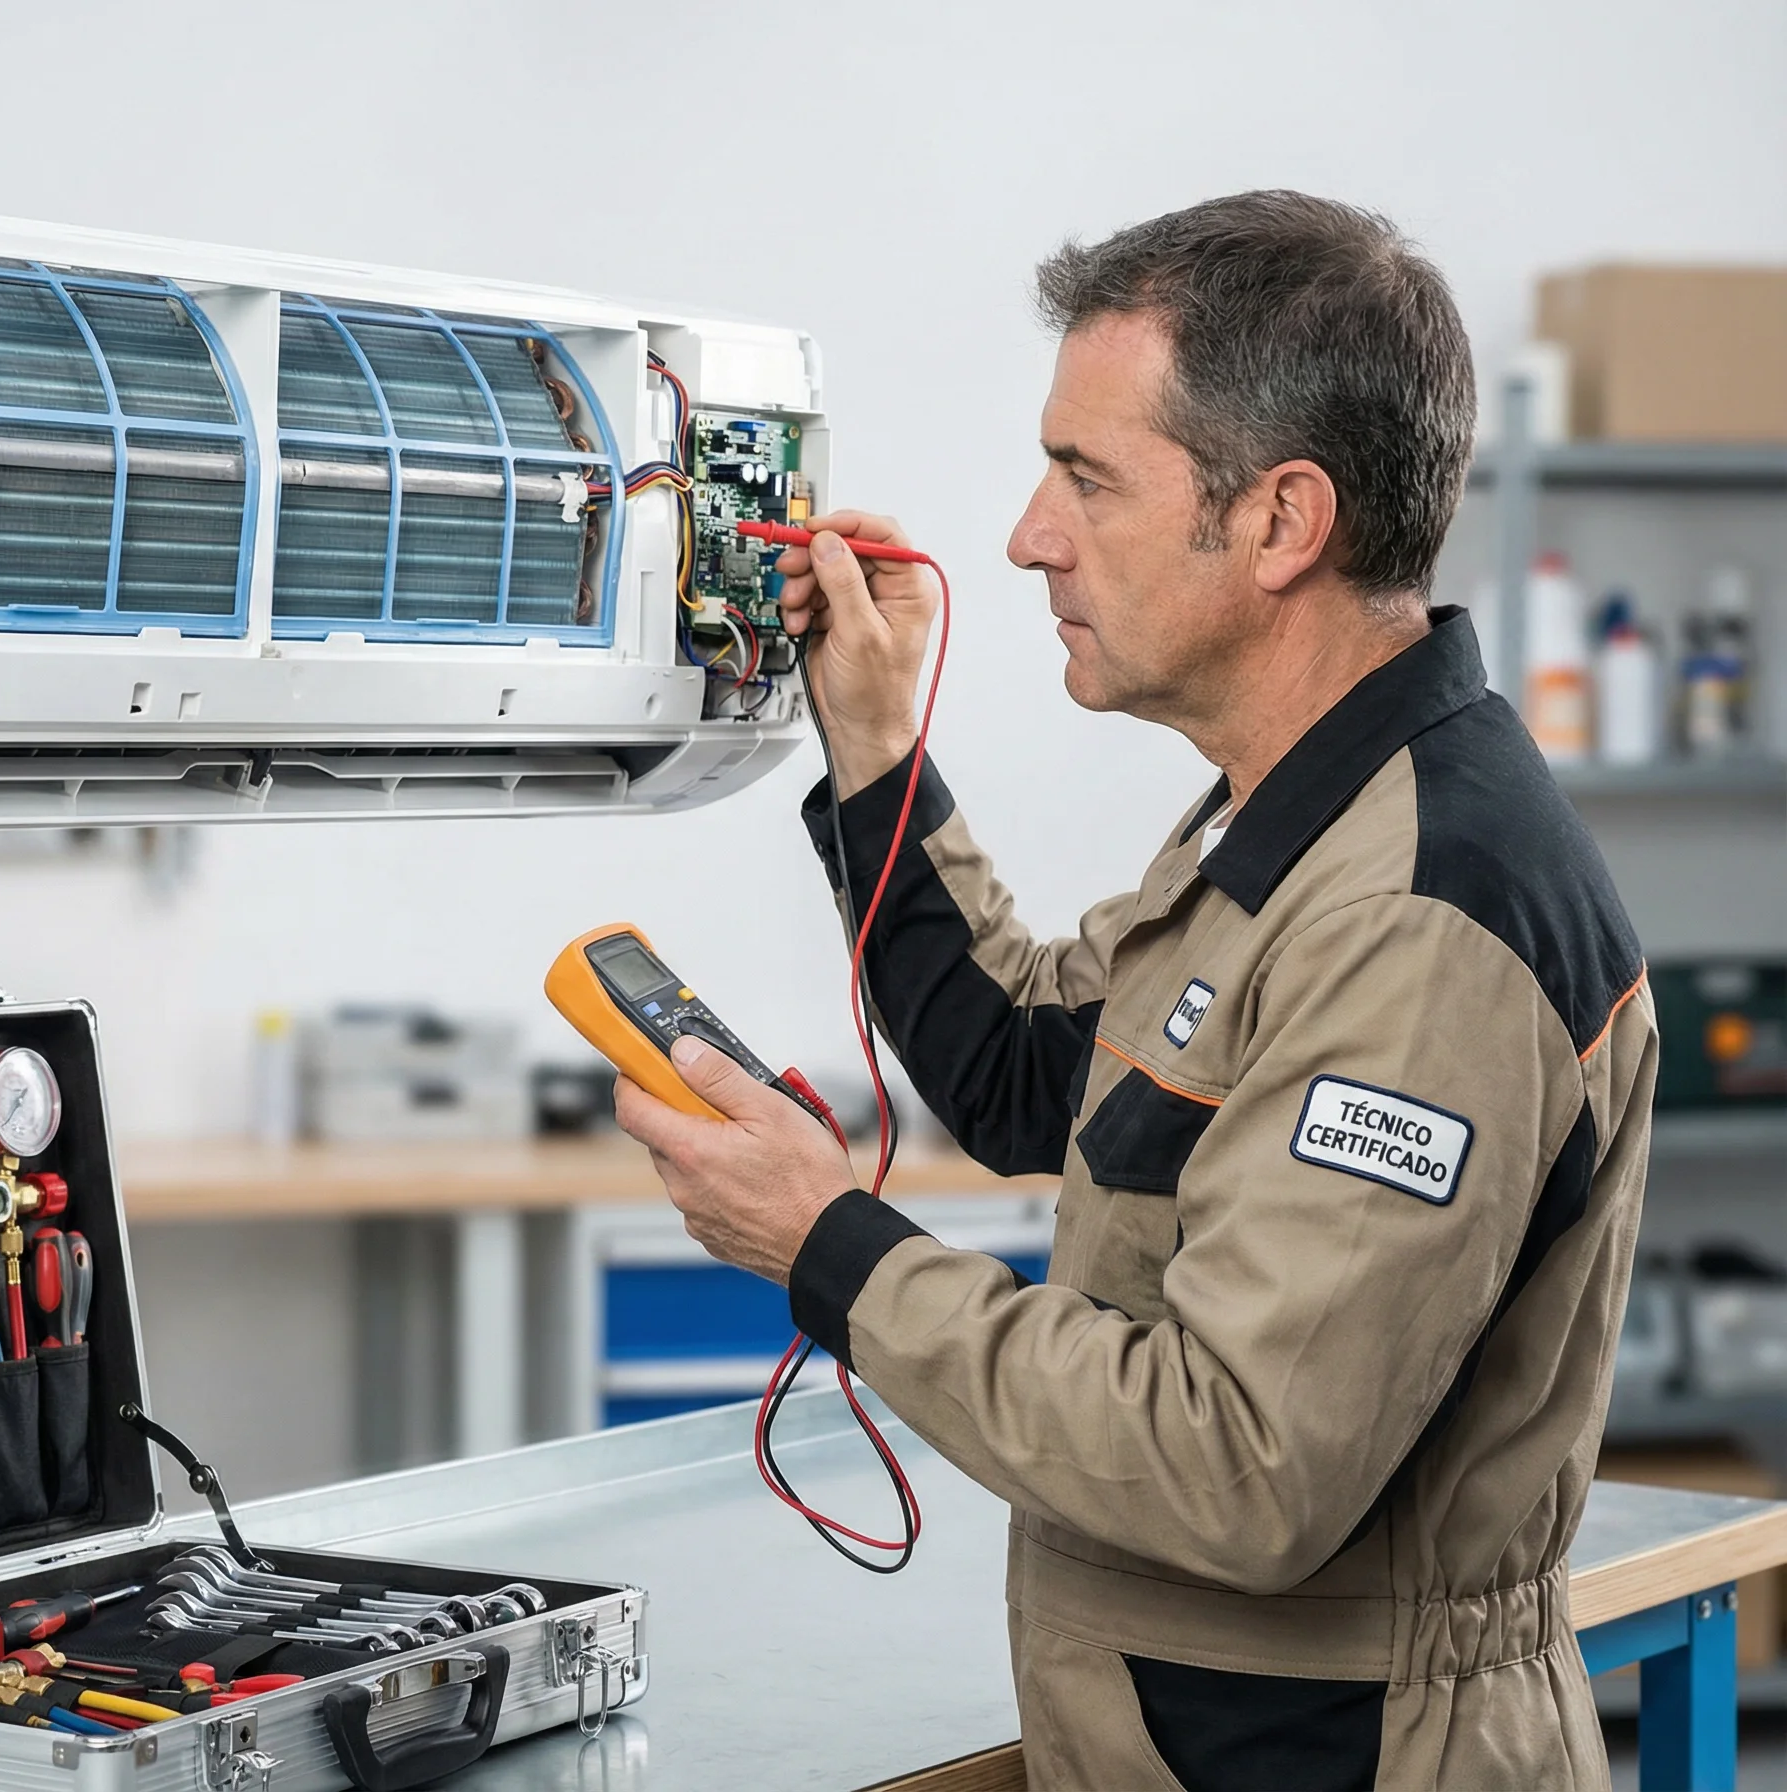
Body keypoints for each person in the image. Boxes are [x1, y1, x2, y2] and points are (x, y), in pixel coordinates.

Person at [613, 191, 1654, 1791]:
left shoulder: (1420, 918)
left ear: (1280, 522)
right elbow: (1038, 1067)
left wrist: (827, 1243)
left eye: (1086, 478)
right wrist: (878, 750)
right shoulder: (1297, 814)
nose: (1029, 535)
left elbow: (1238, 1465)